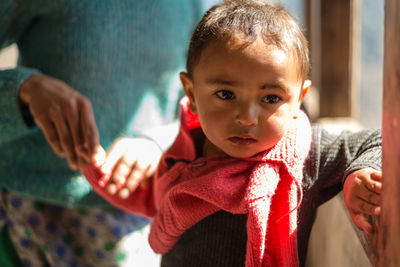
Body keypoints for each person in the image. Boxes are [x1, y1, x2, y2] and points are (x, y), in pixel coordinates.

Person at [84, 1, 382, 266]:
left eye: (270, 99)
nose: (246, 118)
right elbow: (155, 194)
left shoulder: (305, 154)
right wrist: (98, 166)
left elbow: (377, 141)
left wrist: (359, 173)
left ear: (299, 99)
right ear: (191, 92)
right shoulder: (188, 150)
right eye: (226, 94)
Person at [0, 0, 207, 266]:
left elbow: (208, 103)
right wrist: (22, 90)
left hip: (141, 220)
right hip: (25, 215)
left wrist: (162, 144)